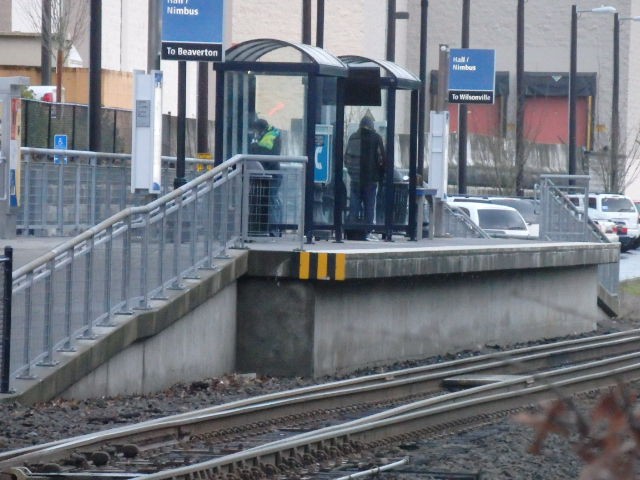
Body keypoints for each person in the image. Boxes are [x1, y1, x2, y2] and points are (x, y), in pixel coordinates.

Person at [344, 112, 386, 240]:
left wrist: (352, 173)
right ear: (371, 125)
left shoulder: (353, 138)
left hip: (355, 179)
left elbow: (347, 159)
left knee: (354, 205)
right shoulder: (377, 138)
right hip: (371, 180)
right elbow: (381, 160)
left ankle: (351, 231)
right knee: (369, 206)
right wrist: (380, 175)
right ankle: (367, 231)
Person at [249, 118, 282, 236]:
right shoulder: (271, 133)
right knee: (272, 199)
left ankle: (273, 228)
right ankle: (272, 228)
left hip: (271, 173)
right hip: (270, 173)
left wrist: (254, 144)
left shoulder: (269, 137)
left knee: (270, 200)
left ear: (259, 129)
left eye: (255, 130)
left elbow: (264, 154)